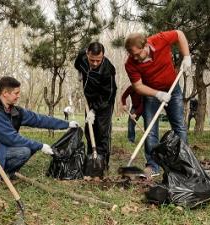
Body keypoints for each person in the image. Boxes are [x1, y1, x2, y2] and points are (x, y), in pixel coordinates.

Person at [0, 76, 79, 179]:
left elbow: (39, 119)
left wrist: (67, 124)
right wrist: (40, 146)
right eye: (16, 93)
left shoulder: (14, 111)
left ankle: (5, 171)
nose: (19, 96)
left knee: (29, 147)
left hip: (0, 148)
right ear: (5, 93)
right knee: (24, 151)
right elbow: (11, 139)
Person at [124, 30, 191, 178]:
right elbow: (138, 87)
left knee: (179, 125)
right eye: (132, 55)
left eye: (137, 54)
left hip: (173, 89)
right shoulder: (130, 64)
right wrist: (157, 94)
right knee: (150, 129)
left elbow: (179, 34)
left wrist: (186, 56)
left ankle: (184, 162)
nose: (135, 58)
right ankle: (152, 166)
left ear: (146, 45)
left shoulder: (159, 40)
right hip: (152, 93)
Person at [74, 42, 117, 174]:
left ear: (103, 56)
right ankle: (90, 160)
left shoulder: (107, 69)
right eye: (92, 60)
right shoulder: (82, 57)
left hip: (104, 102)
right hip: (89, 99)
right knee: (89, 129)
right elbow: (77, 64)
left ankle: (102, 163)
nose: (94, 63)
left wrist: (94, 110)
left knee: (102, 132)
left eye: (98, 60)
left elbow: (109, 95)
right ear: (87, 53)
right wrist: (80, 72)